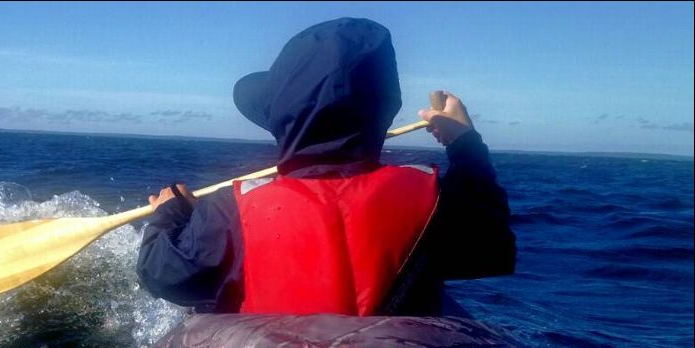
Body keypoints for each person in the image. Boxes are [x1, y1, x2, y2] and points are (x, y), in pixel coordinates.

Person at [136, 17, 515, 316]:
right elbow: (493, 249)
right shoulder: (435, 201)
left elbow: (165, 277)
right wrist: (465, 142)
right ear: (384, 111)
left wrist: (170, 215)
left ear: (280, 116)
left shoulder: (228, 209)